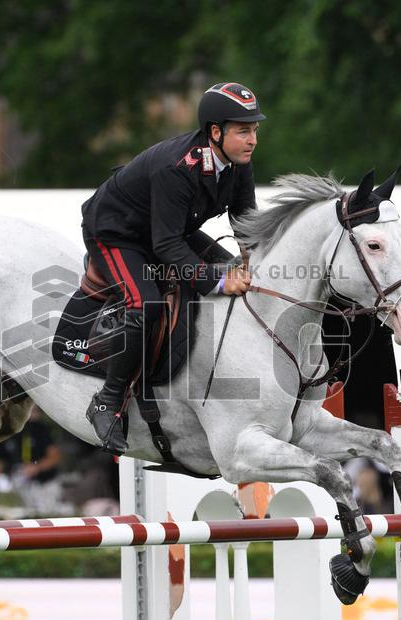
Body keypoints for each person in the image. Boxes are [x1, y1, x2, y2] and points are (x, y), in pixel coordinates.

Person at [80, 82, 264, 454]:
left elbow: (245, 221)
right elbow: (166, 247)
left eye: (255, 129)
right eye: (243, 130)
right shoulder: (176, 168)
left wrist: (252, 266)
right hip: (116, 232)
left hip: (165, 230)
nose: (253, 139)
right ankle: (107, 401)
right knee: (145, 303)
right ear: (216, 132)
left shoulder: (238, 162)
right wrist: (217, 281)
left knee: (234, 271)